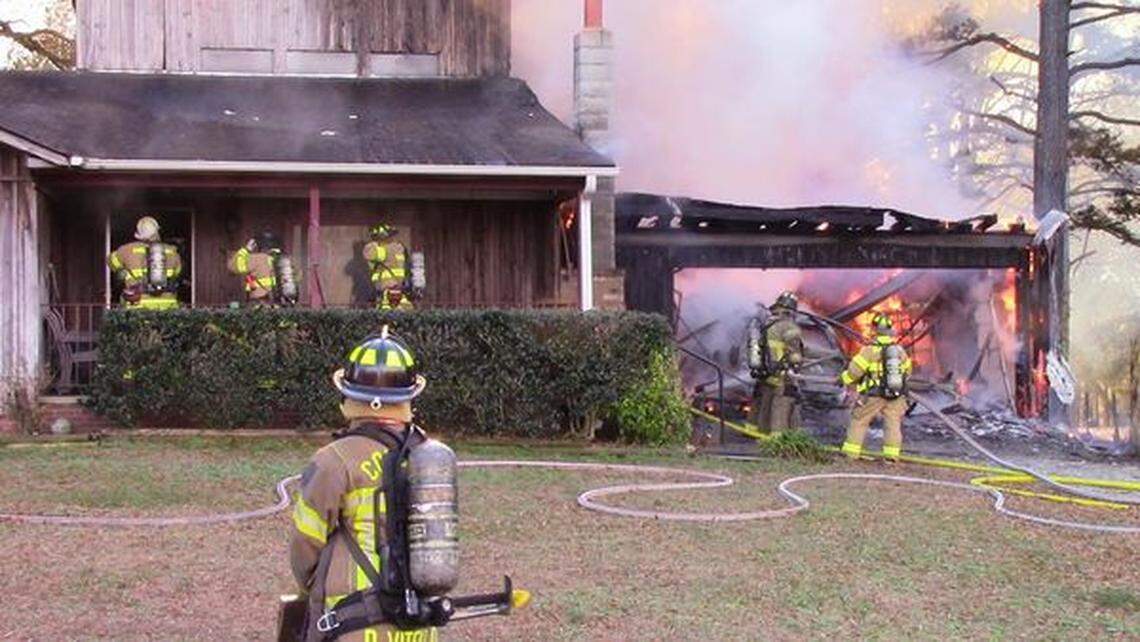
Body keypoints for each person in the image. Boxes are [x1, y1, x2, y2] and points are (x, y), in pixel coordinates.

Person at [289, 329, 438, 641]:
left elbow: (305, 543)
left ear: (349, 395)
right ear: (409, 397)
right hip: (417, 625)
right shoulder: (428, 455)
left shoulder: (333, 460)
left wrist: (315, 588)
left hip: (354, 622)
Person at [838, 312, 914, 460]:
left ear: (874, 330)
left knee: (859, 421)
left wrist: (843, 379)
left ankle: (850, 453)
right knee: (893, 424)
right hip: (896, 394)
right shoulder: (899, 350)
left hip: (873, 394)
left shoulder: (869, 350)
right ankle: (891, 457)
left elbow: (855, 371)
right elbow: (908, 372)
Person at [747, 291, 804, 433]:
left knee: (765, 404)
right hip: (781, 374)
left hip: (766, 373)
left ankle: (758, 434)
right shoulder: (789, 327)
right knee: (782, 406)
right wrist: (798, 364)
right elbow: (795, 355)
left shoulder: (767, 323)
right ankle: (777, 441)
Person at [106, 216, 182, 309]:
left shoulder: (126, 250)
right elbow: (177, 272)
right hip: (168, 307)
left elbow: (110, 261)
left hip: (138, 307)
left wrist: (124, 273)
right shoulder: (172, 252)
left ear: (138, 233)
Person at [228, 231, 300, 306]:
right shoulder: (286, 260)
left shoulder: (257, 259)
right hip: (281, 304)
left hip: (261, 305)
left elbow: (233, 267)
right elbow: (297, 276)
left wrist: (246, 249)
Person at [362, 223, 413, 311]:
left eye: (375, 237)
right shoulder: (399, 248)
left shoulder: (384, 249)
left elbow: (369, 253)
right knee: (405, 310)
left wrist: (375, 243)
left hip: (387, 291)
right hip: (399, 289)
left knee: (384, 315)